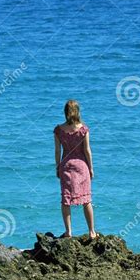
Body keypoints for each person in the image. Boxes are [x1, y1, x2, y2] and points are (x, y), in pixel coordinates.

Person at [54, 100, 96, 239]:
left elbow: (57, 151)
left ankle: (68, 232)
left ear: (65, 112)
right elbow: (87, 151)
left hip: (66, 166)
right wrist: (91, 168)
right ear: (78, 111)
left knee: (66, 200)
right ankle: (91, 232)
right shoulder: (84, 129)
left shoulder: (59, 130)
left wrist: (58, 166)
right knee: (86, 200)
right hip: (82, 166)